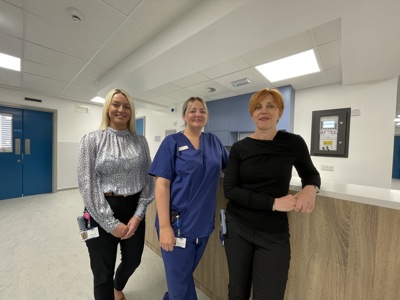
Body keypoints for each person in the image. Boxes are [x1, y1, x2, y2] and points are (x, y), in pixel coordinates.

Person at [223, 88, 321, 300]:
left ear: (280, 112)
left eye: (270, 106)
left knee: (270, 294)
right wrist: (273, 203)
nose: (263, 111)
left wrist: (311, 189)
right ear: (252, 114)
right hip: (238, 226)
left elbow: (311, 174)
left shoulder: (293, 143)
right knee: (237, 293)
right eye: (258, 107)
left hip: (273, 233)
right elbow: (230, 189)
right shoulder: (240, 148)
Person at [148, 96, 229, 300]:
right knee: (180, 281)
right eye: (192, 110)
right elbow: (162, 185)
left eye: (202, 110)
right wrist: (165, 226)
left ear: (207, 116)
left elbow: (231, 168)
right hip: (176, 225)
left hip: (202, 225)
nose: (197, 114)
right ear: (184, 115)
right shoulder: (172, 143)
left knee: (182, 277)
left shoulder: (214, 142)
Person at [77, 88, 155, 300]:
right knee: (102, 273)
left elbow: (148, 179)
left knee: (133, 260)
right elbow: (87, 184)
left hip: (133, 210)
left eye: (126, 106)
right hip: (100, 209)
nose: (121, 109)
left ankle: (117, 287)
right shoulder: (91, 140)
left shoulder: (141, 142)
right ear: (107, 108)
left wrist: (138, 215)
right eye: (116, 104)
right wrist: (110, 223)